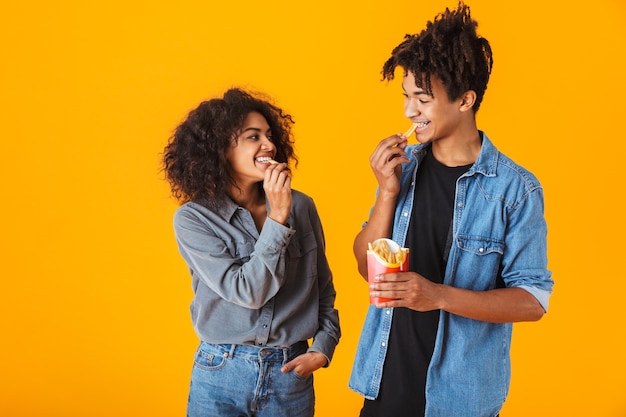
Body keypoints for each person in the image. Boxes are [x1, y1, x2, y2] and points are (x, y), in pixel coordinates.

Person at [348, 3, 554, 417]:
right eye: (407, 97)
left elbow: (533, 300)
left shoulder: (516, 189)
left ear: (465, 99)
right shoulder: (402, 171)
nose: (409, 111)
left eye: (422, 99)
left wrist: (438, 296)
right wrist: (386, 193)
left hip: (461, 401)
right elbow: (366, 268)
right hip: (385, 389)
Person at [162, 87, 340, 417]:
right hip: (220, 373)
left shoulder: (301, 206)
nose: (269, 145)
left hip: (290, 376)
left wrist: (325, 348)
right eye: (253, 137)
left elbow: (323, 289)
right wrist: (278, 218)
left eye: (270, 136)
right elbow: (247, 291)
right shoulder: (193, 219)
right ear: (220, 148)